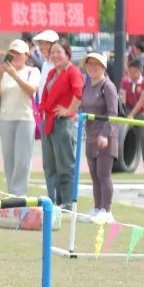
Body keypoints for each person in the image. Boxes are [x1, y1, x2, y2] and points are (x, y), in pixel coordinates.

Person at [37, 38, 82, 220]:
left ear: (67, 54)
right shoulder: (52, 73)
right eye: (53, 52)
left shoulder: (73, 72)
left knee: (65, 164)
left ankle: (67, 202)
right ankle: (52, 200)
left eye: (59, 52)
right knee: (50, 164)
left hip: (63, 123)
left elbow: (78, 93)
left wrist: (69, 111)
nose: (55, 55)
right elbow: (45, 95)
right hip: (48, 121)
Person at [0, 39, 40, 197]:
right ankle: (12, 194)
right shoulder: (4, 73)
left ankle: (19, 194)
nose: (16, 56)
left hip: (25, 119)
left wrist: (15, 76)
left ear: (26, 56)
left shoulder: (32, 71)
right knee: (9, 157)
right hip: (6, 118)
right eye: (13, 53)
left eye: (20, 54)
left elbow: (31, 90)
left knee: (22, 159)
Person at [79, 52, 118, 224]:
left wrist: (104, 134)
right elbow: (83, 108)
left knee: (104, 174)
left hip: (106, 136)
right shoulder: (86, 85)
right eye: (90, 64)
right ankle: (97, 208)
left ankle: (106, 210)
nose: (93, 68)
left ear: (103, 67)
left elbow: (113, 114)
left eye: (97, 65)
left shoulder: (108, 86)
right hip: (90, 136)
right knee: (94, 175)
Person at [120, 57, 144, 174]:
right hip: (128, 110)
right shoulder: (125, 81)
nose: (132, 75)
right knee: (121, 134)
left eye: (134, 72)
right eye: (130, 72)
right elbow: (123, 97)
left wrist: (132, 115)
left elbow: (142, 100)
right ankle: (124, 162)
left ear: (140, 71)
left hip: (141, 112)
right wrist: (124, 112)